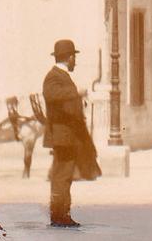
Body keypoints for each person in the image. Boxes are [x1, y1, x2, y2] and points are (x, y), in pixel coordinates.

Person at [42, 39, 100, 228]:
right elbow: (51, 95)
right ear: (69, 57)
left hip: (68, 136)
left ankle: (61, 214)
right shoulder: (54, 76)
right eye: (74, 57)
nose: (75, 61)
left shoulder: (61, 76)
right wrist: (77, 92)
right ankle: (59, 216)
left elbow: (62, 99)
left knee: (64, 175)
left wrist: (78, 101)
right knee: (62, 175)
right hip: (63, 136)